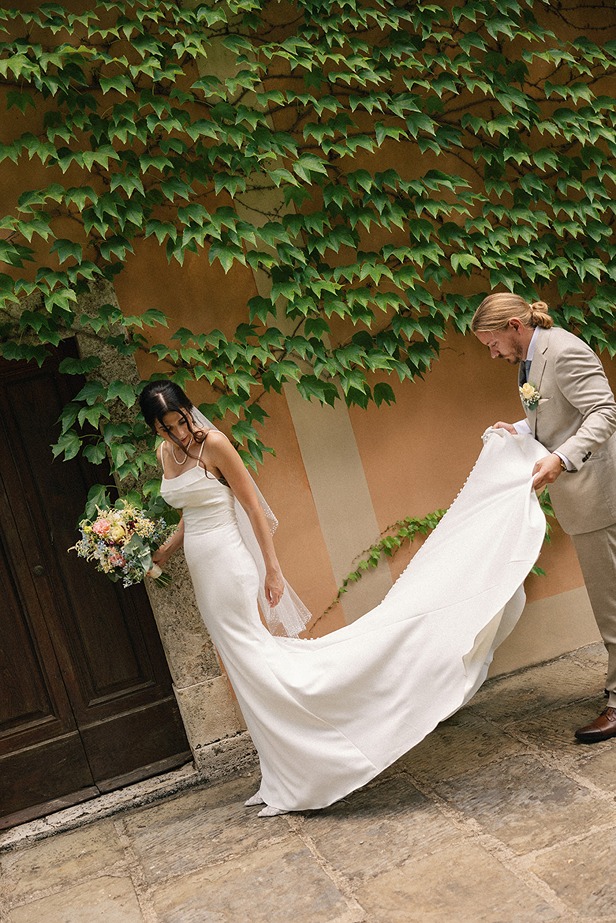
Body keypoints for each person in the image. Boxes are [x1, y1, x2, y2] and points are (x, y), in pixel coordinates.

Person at [139, 379, 548, 816]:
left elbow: (252, 506)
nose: (180, 433)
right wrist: (159, 552)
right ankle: (280, 772)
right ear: (155, 429)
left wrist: (272, 570)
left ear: (188, 410)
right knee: (243, 670)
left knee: (256, 661)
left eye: (181, 421)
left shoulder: (214, 444)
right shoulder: (166, 454)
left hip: (229, 565)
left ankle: (320, 757)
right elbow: (191, 509)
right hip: (202, 569)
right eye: (167, 428)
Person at [471, 292, 616, 743]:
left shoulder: (566, 350)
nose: (492, 353)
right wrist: (515, 429)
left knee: (610, 602)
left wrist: (561, 459)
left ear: (515, 325)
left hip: (600, 494)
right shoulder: (530, 359)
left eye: (492, 342)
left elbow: (605, 410)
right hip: (584, 496)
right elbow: (554, 415)